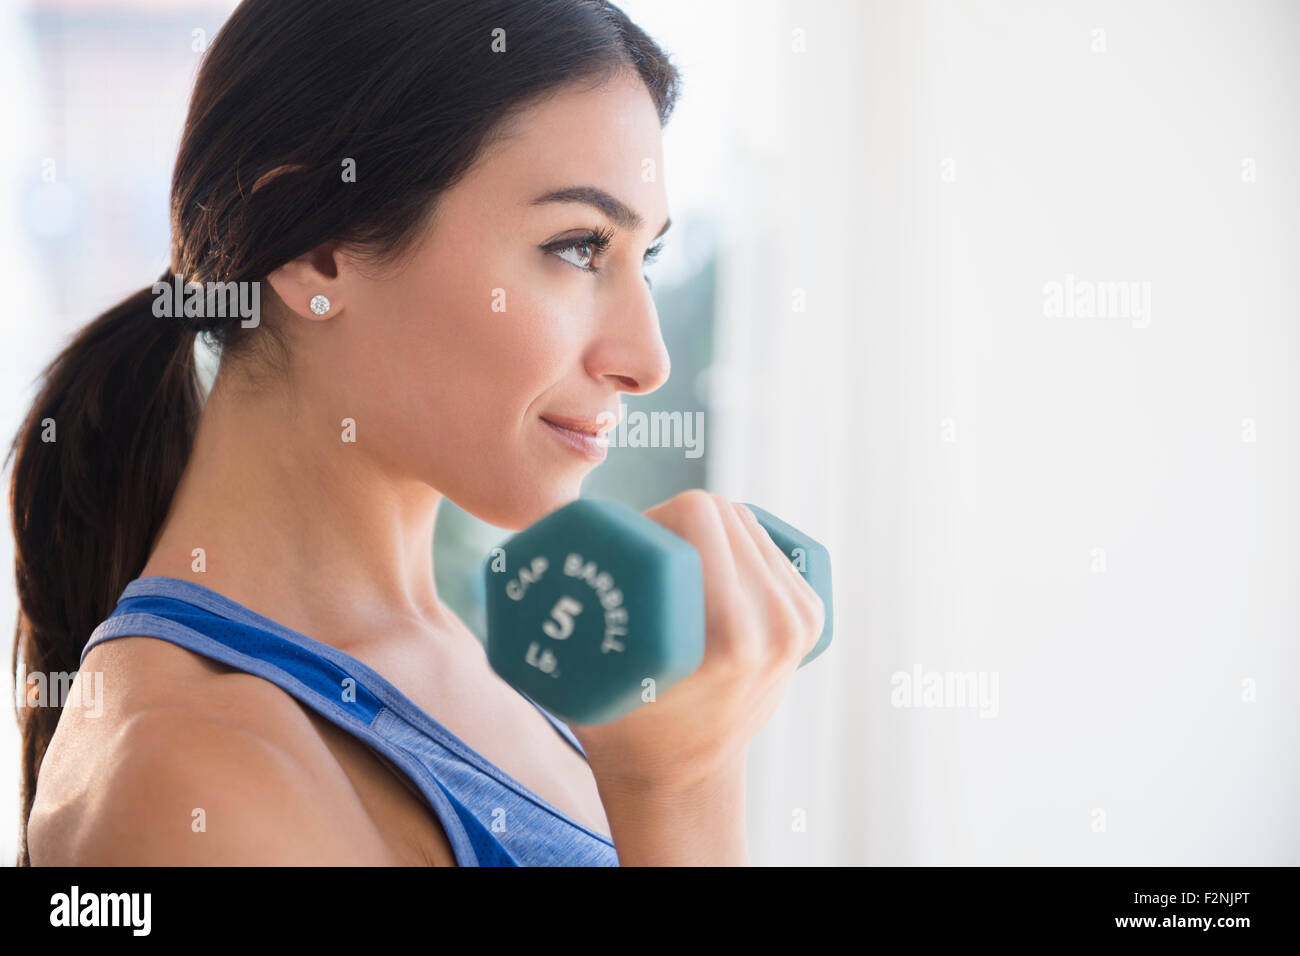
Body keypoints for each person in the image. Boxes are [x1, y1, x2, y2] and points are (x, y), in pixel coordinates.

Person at [10, 0, 824, 866]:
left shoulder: (479, 667)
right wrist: (681, 792)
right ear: (317, 251)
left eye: (644, 258)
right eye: (579, 246)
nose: (649, 359)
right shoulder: (187, 783)